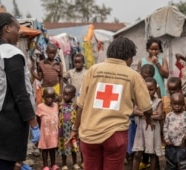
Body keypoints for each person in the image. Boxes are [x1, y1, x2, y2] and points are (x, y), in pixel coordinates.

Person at [67, 37, 155, 170]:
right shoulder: (133, 75)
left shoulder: (93, 70)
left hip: (89, 133)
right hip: (116, 135)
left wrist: (74, 129)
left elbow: (80, 106)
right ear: (129, 57)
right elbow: (147, 107)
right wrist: (149, 119)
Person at [0, 12, 40, 169]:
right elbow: (20, 94)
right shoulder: (10, 53)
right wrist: (34, 124)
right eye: (17, 29)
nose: (19, 33)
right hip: (9, 124)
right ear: (6, 28)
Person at [132, 77, 162, 170]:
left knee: (152, 154)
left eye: (151, 89)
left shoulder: (158, 101)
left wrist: (146, 114)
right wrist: (149, 113)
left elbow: (159, 116)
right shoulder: (140, 100)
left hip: (152, 130)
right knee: (137, 154)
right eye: (146, 89)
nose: (148, 92)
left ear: (156, 89)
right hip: (141, 131)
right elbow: (133, 111)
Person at [163, 92, 186, 170]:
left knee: (184, 164)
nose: (177, 106)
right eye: (175, 104)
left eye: (179, 104)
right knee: (170, 164)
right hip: (170, 145)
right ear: (171, 104)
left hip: (182, 144)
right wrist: (166, 139)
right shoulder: (169, 115)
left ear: (183, 104)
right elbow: (165, 127)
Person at [58, 84, 80, 170]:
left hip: (72, 132)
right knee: (64, 148)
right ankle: (64, 164)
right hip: (63, 132)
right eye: (64, 94)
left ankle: (75, 163)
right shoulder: (60, 106)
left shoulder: (75, 106)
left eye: (67, 94)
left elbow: (78, 117)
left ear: (73, 96)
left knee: (74, 148)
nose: (65, 96)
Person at [36, 87, 59, 170]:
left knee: (53, 149)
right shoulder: (40, 106)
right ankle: (45, 165)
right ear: (43, 97)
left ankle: (53, 164)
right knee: (44, 149)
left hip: (53, 133)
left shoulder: (56, 105)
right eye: (48, 97)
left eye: (52, 97)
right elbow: (38, 119)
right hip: (44, 133)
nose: (50, 99)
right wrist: (38, 131)